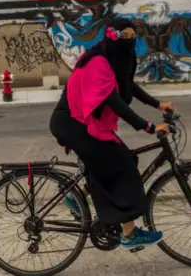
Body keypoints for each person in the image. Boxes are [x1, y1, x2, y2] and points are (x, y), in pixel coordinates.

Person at [49, 17, 175, 250]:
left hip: (81, 121)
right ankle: (129, 233)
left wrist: (157, 105)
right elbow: (114, 102)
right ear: (111, 36)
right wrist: (148, 127)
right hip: (74, 122)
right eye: (124, 36)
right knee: (122, 165)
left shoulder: (111, 59)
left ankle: (75, 194)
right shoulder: (98, 61)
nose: (129, 41)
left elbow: (129, 86)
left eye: (132, 37)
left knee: (121, 159)